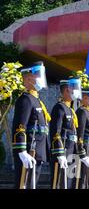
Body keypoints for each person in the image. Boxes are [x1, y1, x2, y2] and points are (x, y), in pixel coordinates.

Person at [12, 61, 50, 189]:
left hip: (37, 152)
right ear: (28, 78)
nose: (41, 78)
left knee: (31, 184)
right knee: (24, 184)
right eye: (38, 75)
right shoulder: (26, 99)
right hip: (29, 150)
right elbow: (20, 126)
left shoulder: (37, 100)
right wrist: (21, 151)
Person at [49, 78, 80, 189]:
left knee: (70, 182)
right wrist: (59, 153)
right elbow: (55, 132)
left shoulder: (70, 109)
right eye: (75, 88)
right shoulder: (59, 108)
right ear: (67, 90)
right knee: (60, 183)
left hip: (72, 151)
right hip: (64, 151)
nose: (77, 91)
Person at [75, 88, 89, 189]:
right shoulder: (82, 112)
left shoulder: (88, 111)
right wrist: (82, 153)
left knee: (88, 178)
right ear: (84, 98)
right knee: (83, 179)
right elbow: (80, 133)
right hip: (85, 147)